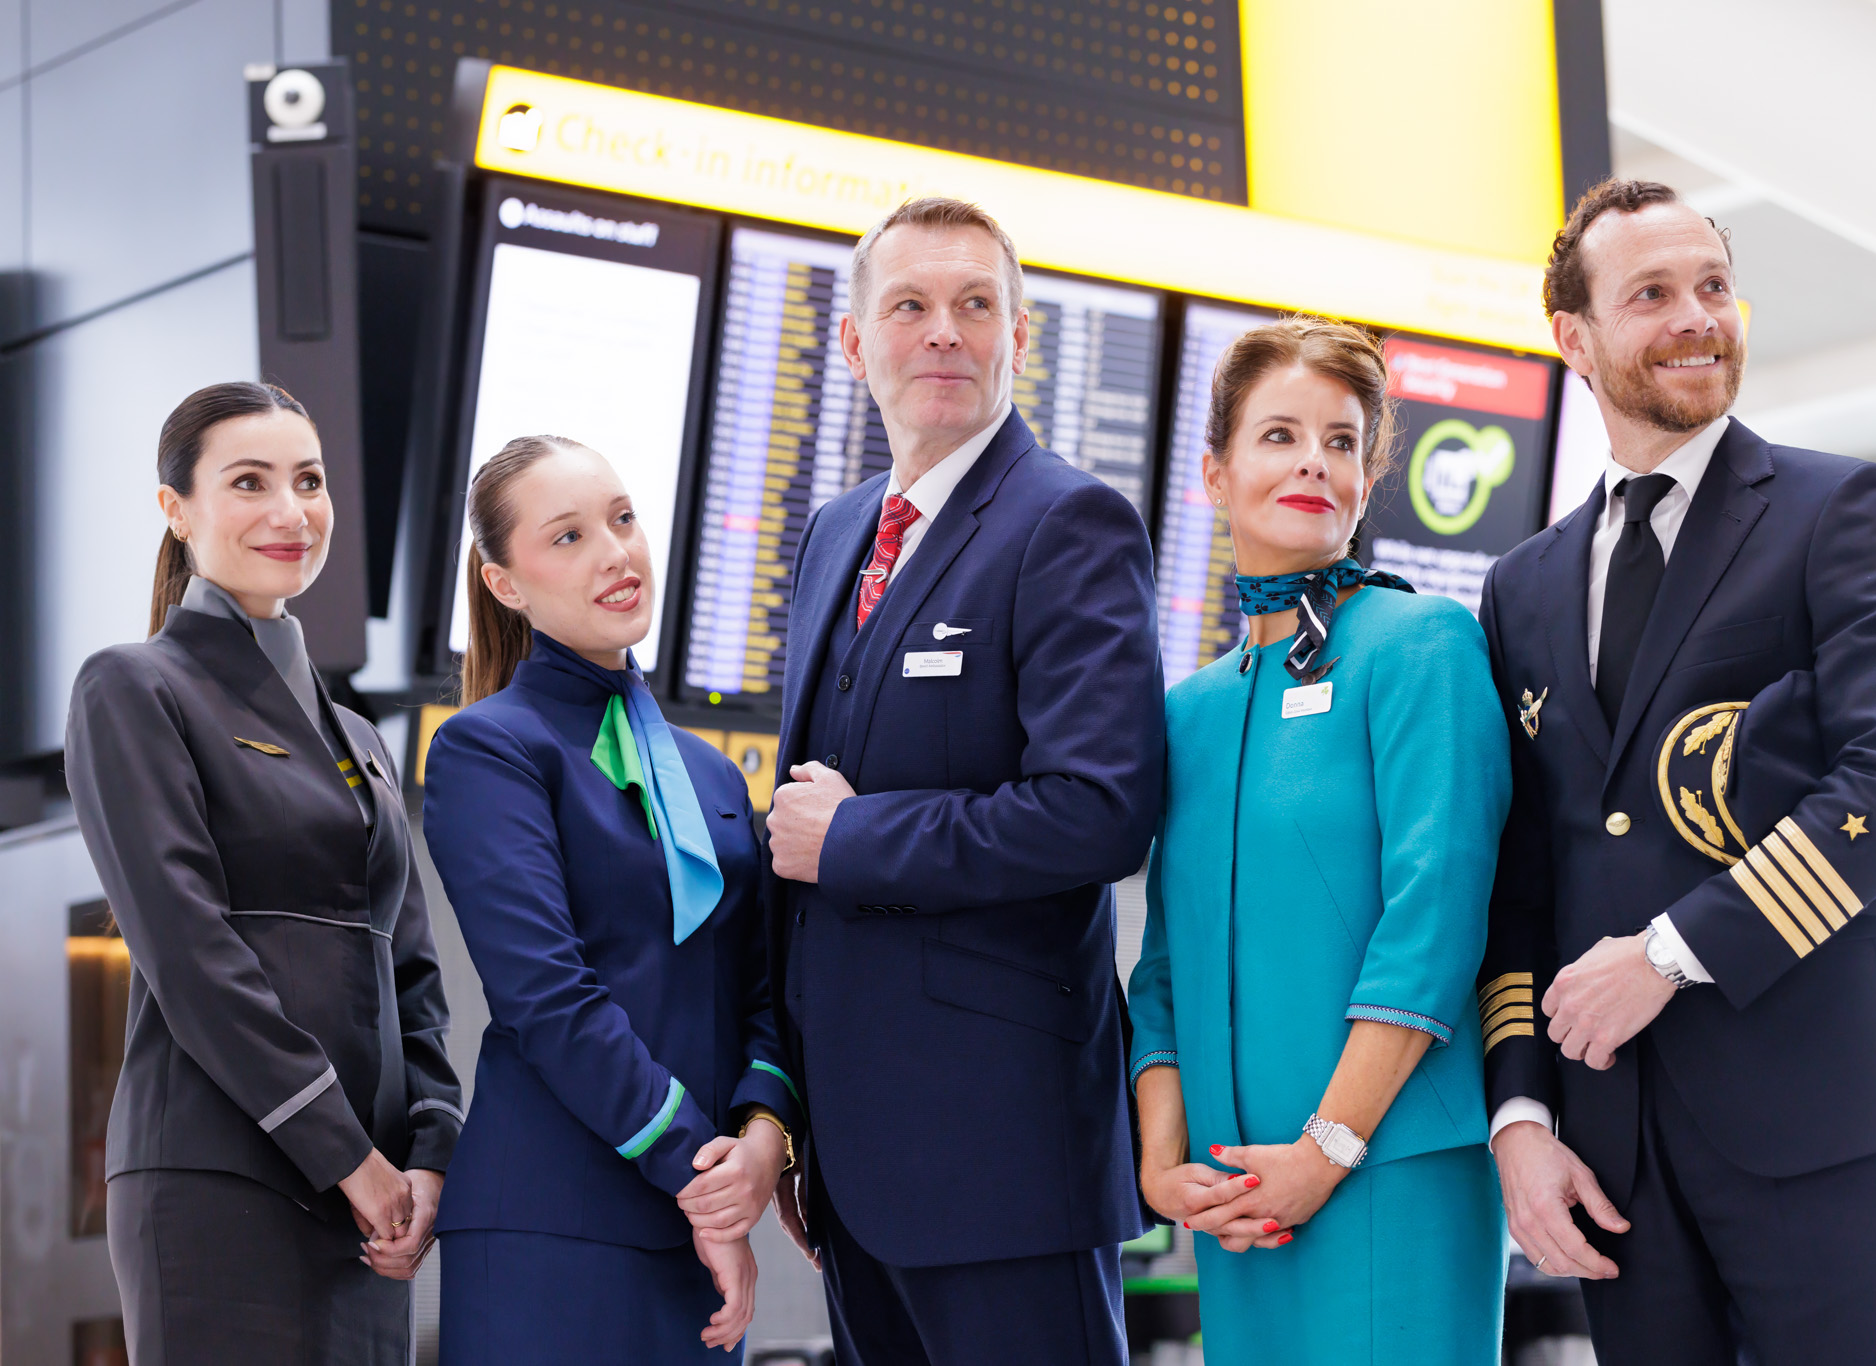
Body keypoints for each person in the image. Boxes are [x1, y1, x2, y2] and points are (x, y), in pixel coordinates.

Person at [1477, 179, 1876, 1364]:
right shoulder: (1519, 587)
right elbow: (1518, 878)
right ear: (1572, 338)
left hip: (1814, 1114)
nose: (1698, 316)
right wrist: (1520, 1116)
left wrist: (1665, 954)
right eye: (1651, 293)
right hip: (1611, 1152)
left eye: (1711, 286)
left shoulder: (1832, 509)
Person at [761, 196, 1164, 1365]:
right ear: (854, 344)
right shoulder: (836, 533)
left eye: (974, 305)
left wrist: (855, 840)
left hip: (1002, 1154)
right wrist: (788, 1107)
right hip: (850, 1157)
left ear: (1018, 339)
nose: (943, 331)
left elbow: (1099, 811)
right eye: (909, 305)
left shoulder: (1067, 522)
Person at [1125, 317, 1512, 1364]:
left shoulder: (1420, 642)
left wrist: (1324, 1148)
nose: (1311, 461)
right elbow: (1163, 963)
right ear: (1213, 472)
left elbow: (1432, 918)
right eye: (1279, 435)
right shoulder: (1191, 710)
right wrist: (1164, 1169)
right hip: (1237, 1197)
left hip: (1386, 1167)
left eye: (1340, 442)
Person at [63, 381, 464, 1366]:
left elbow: (412, 976)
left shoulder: (361, 738)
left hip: (371, 1209)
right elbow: (192, 953)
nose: (291, 511)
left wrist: (427, 1154)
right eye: (250, 482)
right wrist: (350, 1159)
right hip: (224, 1180)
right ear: (176, 507)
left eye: (310, 481)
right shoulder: (133, 685)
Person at [423, 435, 803, 1362]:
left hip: (699, 1227)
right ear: (504, 582)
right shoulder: (489, 749)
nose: (615, 552)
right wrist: (698, 1175)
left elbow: (762, 990)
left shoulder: (712, 774)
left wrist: (762, 1140)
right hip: (554, 1227)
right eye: (567, 537)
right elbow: (546, 996)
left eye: (623, 519)